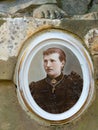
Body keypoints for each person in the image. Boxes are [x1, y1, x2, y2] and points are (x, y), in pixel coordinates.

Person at [29, 47, 83, 114]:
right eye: (45, 61)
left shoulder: (73, 84)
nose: (48, 65)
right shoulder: (35, 87)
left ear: (62, 63)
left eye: (52, 61)